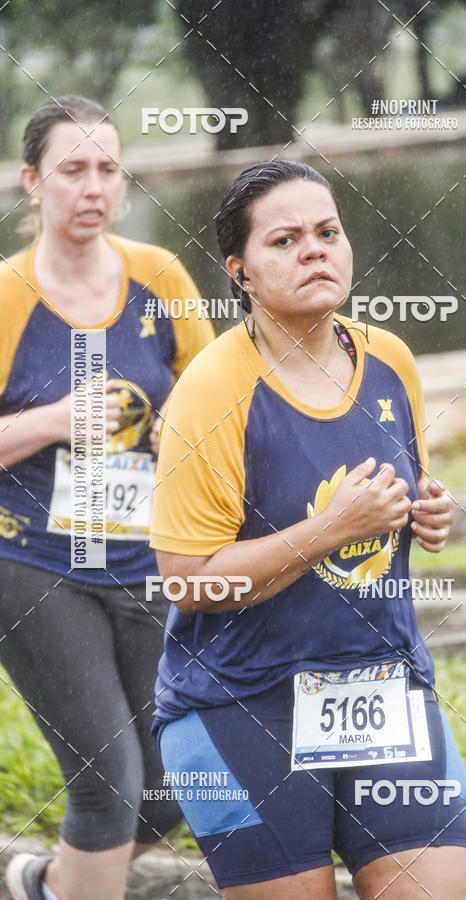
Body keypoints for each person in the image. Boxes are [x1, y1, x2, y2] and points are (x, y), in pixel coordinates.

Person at [150, 160, 466, 899]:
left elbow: (387, 503)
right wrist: (328, 530)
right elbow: (190, 582)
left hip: (380, 688)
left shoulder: (390, 359)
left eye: (328, 232)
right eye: (286, 240)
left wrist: (425, 513)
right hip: (238, 705)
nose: (315, 250)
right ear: (241, 272)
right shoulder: (211, 390)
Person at [0, 95, 214, 900]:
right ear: (32, 181)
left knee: (172, 779)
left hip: (146, 554)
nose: (93, 187)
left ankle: (48, 885)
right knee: (108, 780)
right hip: (28, 556)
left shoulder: (160, 276)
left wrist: (182, 429)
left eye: (108, 169)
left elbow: (217, 399)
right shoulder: (8, 295)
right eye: (72, 170)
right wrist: (53, 419)